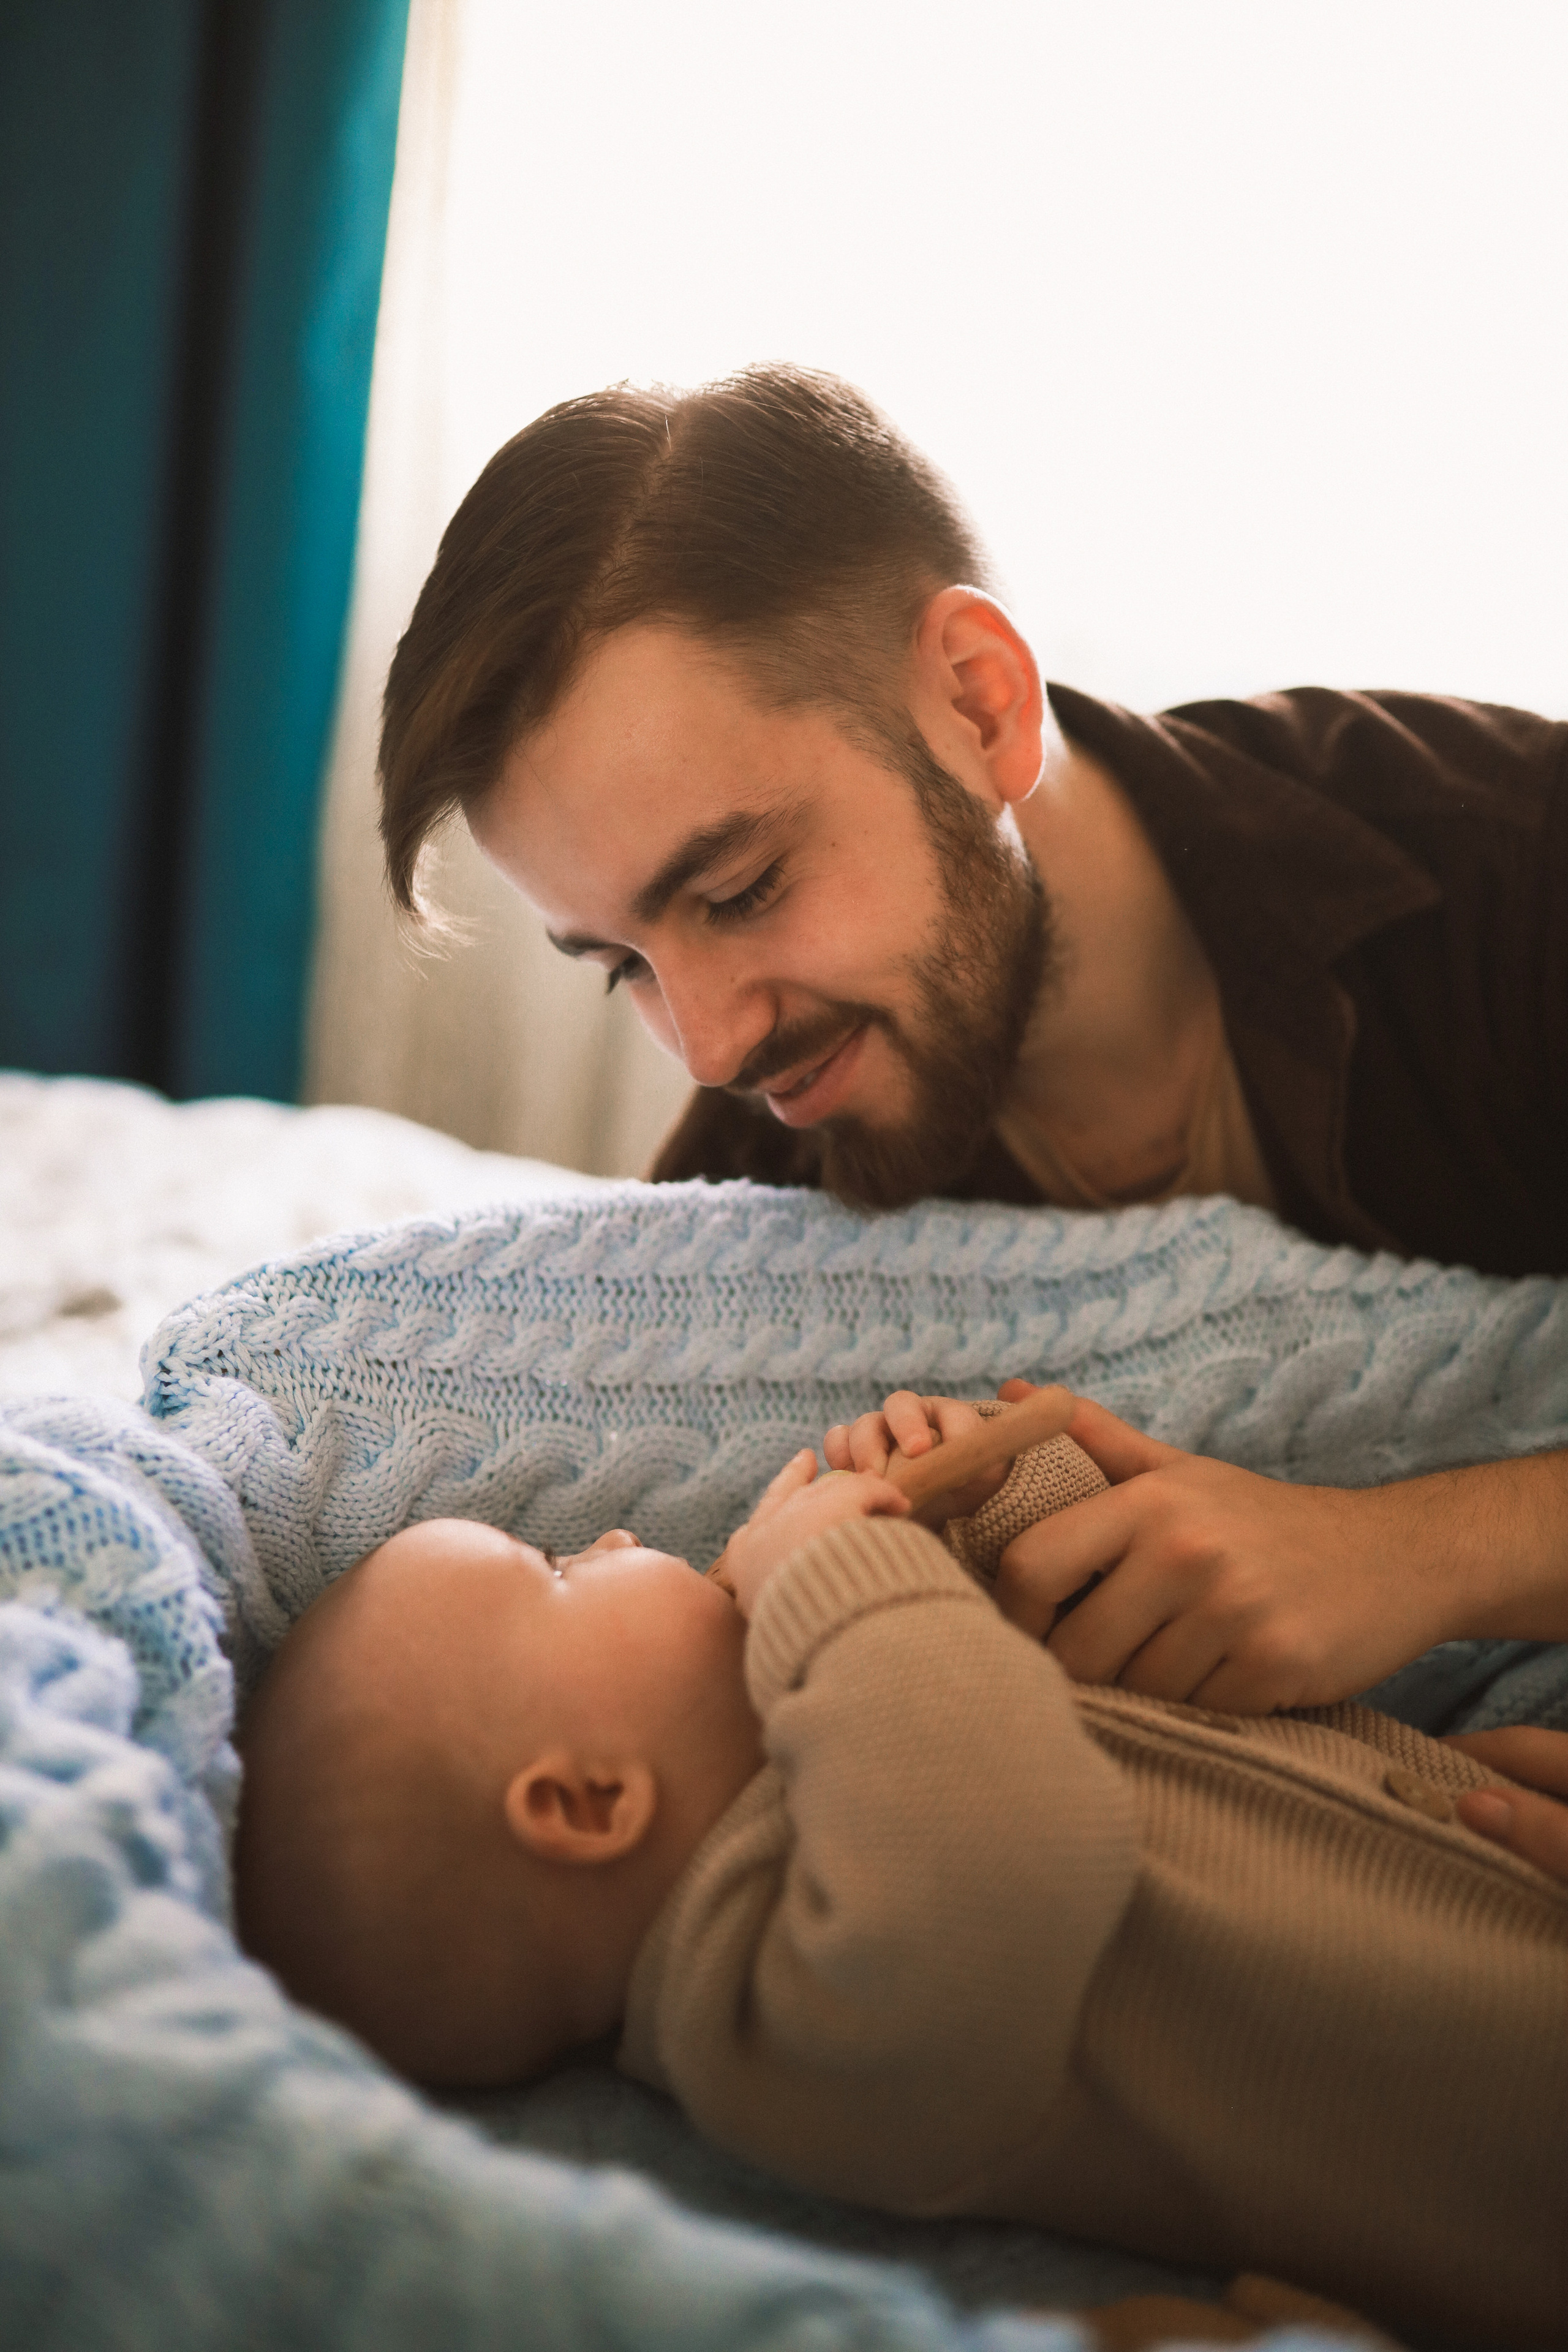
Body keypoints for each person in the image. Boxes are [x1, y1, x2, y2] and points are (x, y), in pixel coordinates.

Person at [372, 362, 1568, 1788]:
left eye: (744, 889)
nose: (709, 1046)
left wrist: (1411, 1554)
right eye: (622, 963)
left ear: (978, 702)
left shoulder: (1513, 868)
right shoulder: (741, 1204)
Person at [235, 1404, 1568, 2349]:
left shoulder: (843, 1754)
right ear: (587, 1801)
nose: (622, 1538)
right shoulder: (788, 2027)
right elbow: (1019, 1837)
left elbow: (1055, 1679)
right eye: (562, 1571)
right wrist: (839, 1575)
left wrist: (988, 1504)